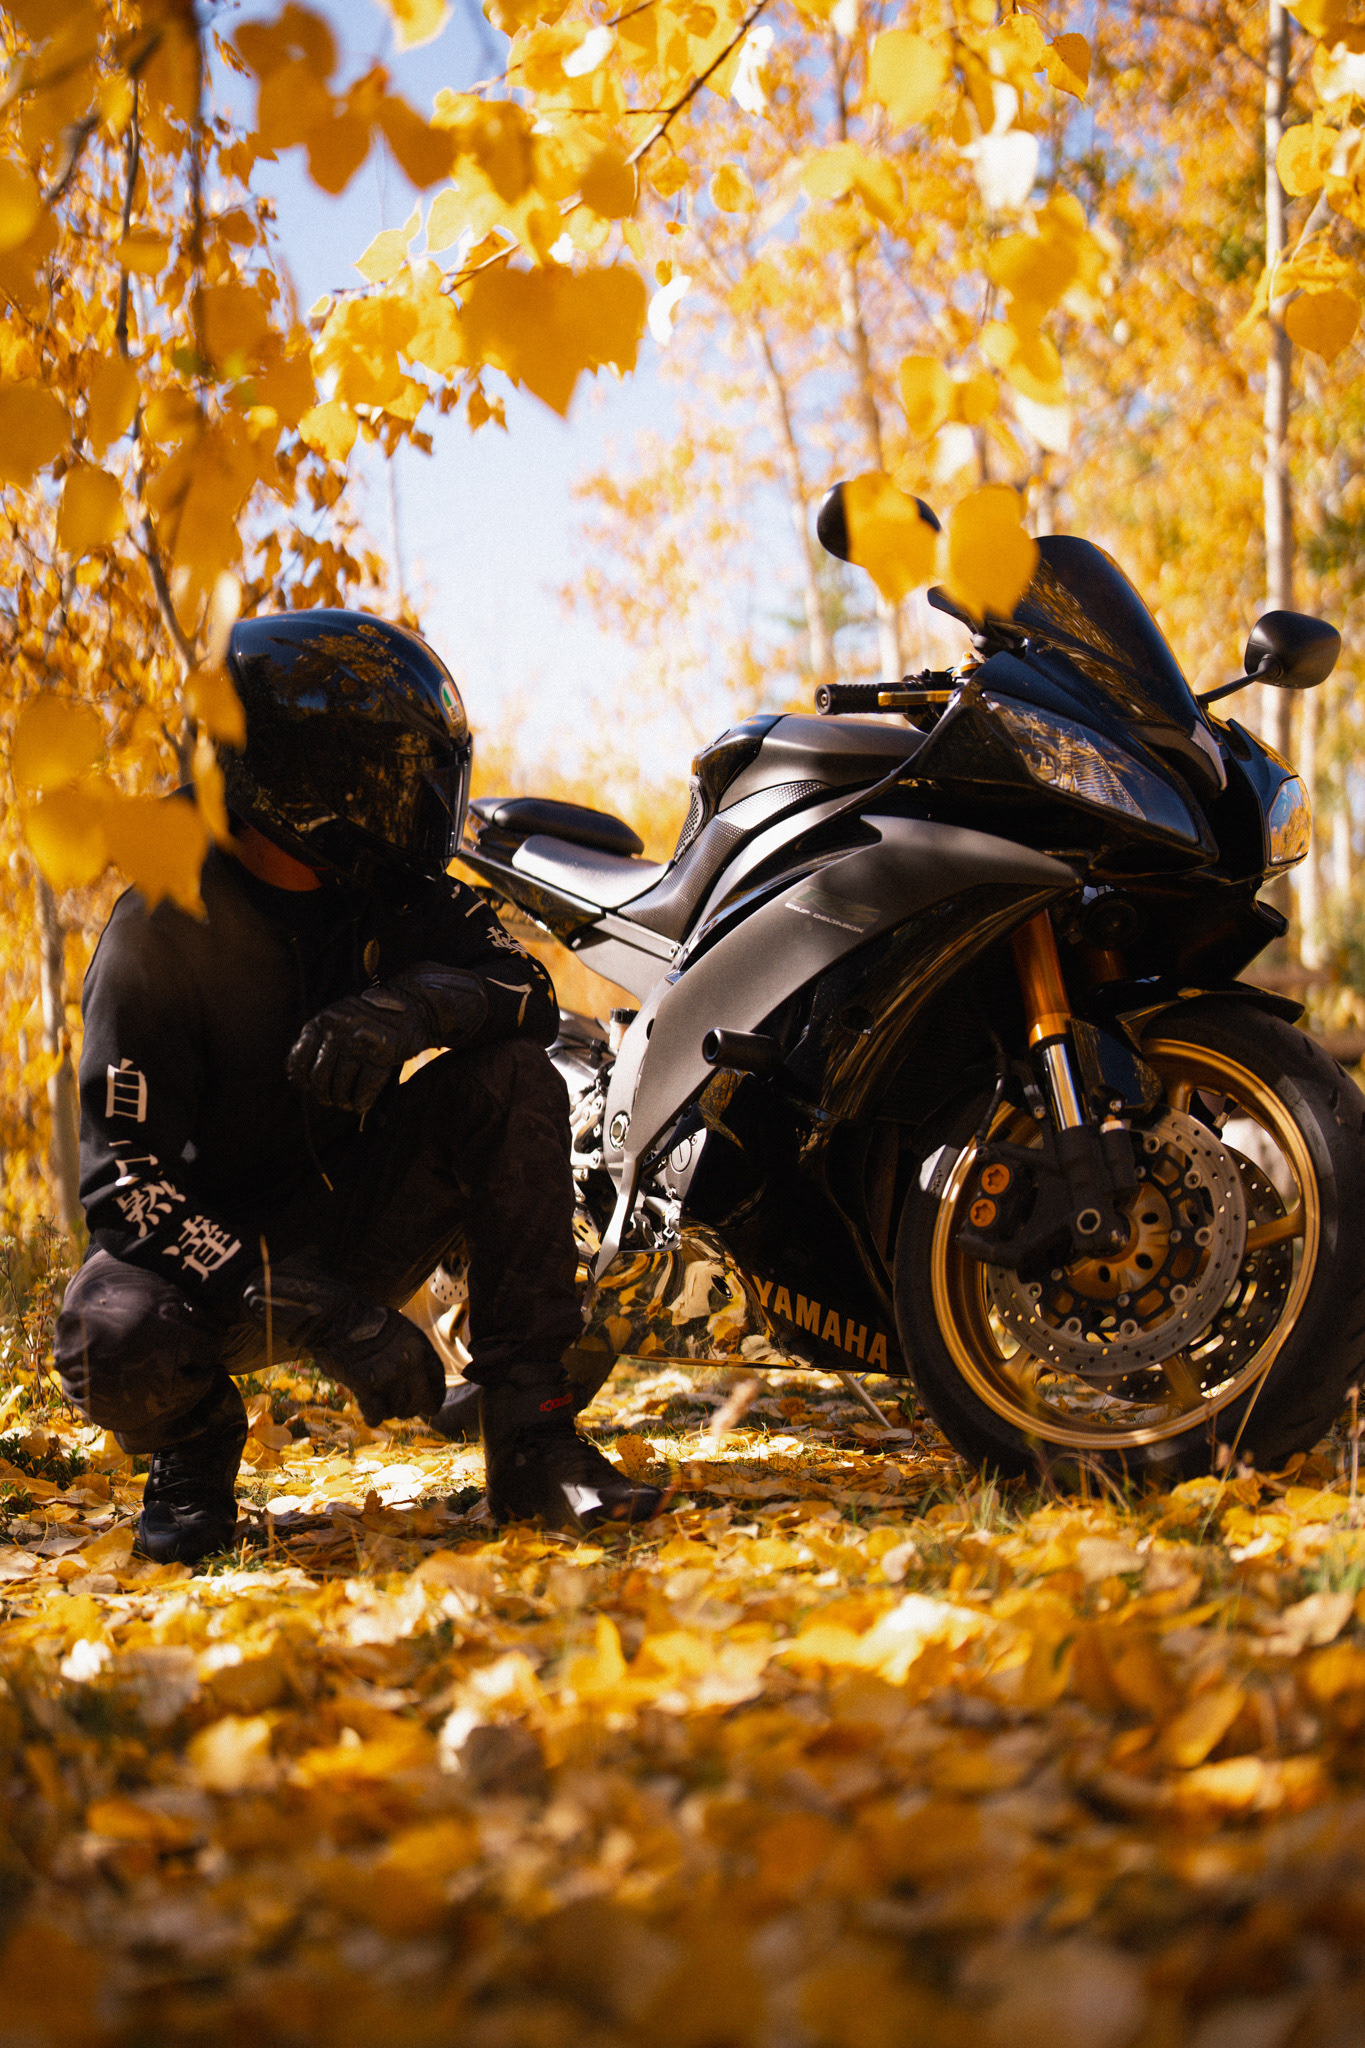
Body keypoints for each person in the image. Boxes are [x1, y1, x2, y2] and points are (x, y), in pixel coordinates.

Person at [54, 610, 662, 1563]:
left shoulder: (395, 886)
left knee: (511, 1079)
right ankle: (193, 1449)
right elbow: (125, 1186)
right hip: (208, 1261)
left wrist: (416, 1005)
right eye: (388, 768)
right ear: (298, 774)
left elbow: (527, 994)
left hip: (355, 1215)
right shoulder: (159, 929)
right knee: (105, 1332)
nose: (414, 796)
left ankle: (534, 1439)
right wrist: (320, 1313)